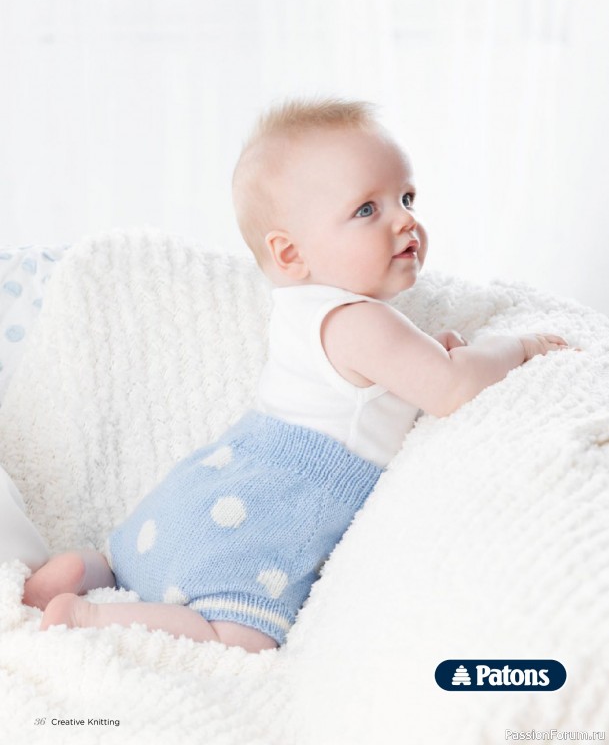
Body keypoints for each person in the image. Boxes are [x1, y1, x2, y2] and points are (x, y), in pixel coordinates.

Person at [22, 98, 569, 652]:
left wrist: (437, 350)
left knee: (134, 565)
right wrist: (518, 346)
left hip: (203, 493)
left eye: (406, 198)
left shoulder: (303, 310)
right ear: (290, 254)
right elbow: (452, 387)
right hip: (265, 511)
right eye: (367, 209)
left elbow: (400, 378)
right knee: (242, 637)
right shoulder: (360, 321)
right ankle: (88, 618)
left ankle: (91, 568)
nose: (405, 219)